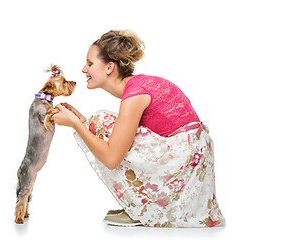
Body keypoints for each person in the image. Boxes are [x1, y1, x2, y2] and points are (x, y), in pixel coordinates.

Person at [51, 30, 225, 228]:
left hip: (185, 161)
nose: (84, 69)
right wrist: (83, 123)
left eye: (90, 63)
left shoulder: (135, 94)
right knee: (96, 122)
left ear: (109, 67)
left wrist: (75, 124)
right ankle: (143, 206)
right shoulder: (136, 87)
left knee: (100, 120)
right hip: (186, 154)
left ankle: (144, 210)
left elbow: (111, 158)